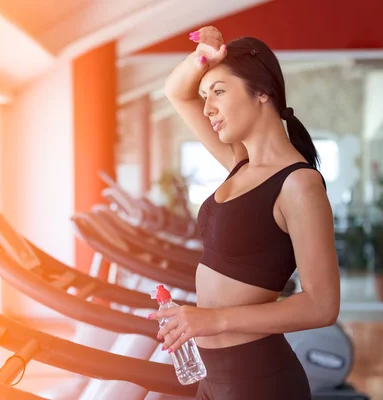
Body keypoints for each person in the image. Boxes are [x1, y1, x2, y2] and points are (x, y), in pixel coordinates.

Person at [146, 26, 341, 399]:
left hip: (258, 380)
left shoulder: (299, 184)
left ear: (263, 91)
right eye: (205, 96)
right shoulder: (240, 164)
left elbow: (322, 305)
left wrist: (212, 318)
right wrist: (206, 56)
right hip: (213, 375)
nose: (207, 108)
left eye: (218, 91)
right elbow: (175, 91)